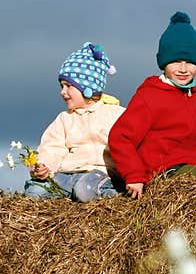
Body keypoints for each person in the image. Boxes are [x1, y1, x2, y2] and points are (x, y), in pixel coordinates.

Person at [108, 11, 196, 202]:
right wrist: (134, 174)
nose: (183, 69)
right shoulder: (149, 96)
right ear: (164, 62)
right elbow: (121, 137)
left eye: (190, 62)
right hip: (166, 172)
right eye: (176, 61)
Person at [24, 42, 126, 202]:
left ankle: (113, 196)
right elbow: (53, 147)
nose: (62, 92)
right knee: (35, 191)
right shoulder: (64, 119)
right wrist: (44, 166)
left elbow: (128, 143)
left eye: (68, 86)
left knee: (83, 190)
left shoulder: (114, 114)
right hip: (66, 175)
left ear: (88, 87)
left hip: (98, 173)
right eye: (61, 86)